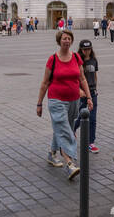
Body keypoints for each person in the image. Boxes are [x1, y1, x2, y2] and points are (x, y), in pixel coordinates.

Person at [35, 29, 92, 181]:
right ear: (59, 41)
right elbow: (45, 82)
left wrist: (89, 97)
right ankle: (69, 164)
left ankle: (52, 153)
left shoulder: (76, 57)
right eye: (64, 38)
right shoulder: (52, 59)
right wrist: (39, 103)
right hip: (56, 100)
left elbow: (82, 79)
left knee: (61, 127)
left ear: (72, 41)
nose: (66, 41)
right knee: (65, 130)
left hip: (74, 100)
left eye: (69, 38)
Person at [73, 40, 100, 153]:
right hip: (82, 93)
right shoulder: (77, 61)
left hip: (92, 92)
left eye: (89, 49)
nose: (87, 52)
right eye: (84, 50)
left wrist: (96, 88)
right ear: (81, 49)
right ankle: (72, 129)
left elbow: (95, 75)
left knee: (92, 118)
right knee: (81, 116)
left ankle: (91, 142)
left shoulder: (94, 60)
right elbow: (75, 78)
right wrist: (79, 90)